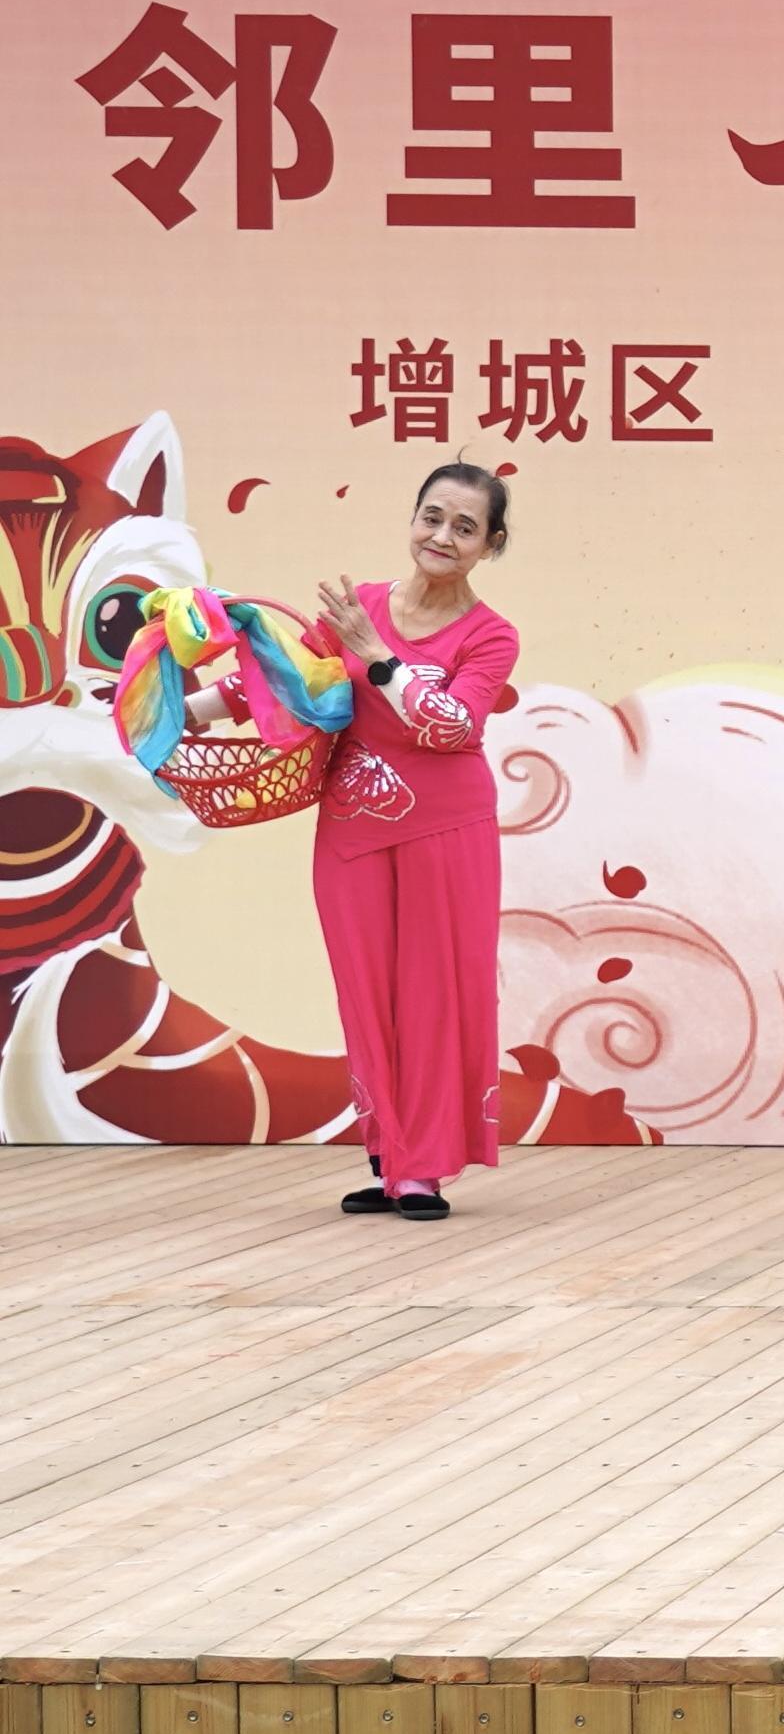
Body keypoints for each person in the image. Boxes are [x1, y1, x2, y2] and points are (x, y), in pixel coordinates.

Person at [182, 463, 523, 1220]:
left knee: (434, 995)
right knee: (365, 992)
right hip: (352, 828)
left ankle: (424, 1168)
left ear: (490, 545)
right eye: (432, 517)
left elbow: (452, 727)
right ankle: (390, 1156)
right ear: (413, 519)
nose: (442, 536)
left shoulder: (491, 635)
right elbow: (281, 681)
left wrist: (377, 657)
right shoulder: (360, 605)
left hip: (447, 830)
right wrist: (179, 710)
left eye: (465, 527)